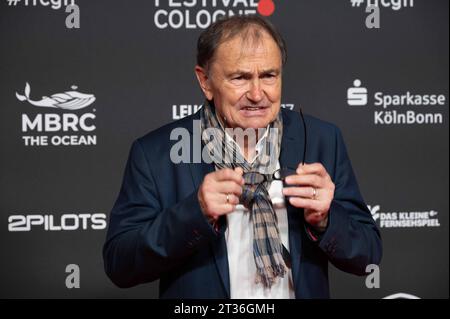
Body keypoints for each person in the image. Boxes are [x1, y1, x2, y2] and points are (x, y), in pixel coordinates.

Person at [103, 15, 382, 299]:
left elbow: (367, 255)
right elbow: (120, 264)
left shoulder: (322, 140)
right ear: (205, 81)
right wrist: (193, 212)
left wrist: (325, 219)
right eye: (240, 78)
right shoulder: (156, 153)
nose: (257, 94)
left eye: (269, 76)